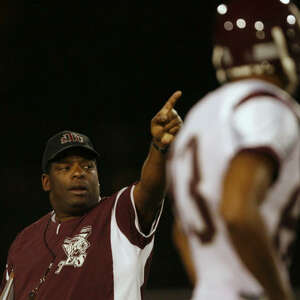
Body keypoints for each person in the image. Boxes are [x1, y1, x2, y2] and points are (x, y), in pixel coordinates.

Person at [167, 0, 300, 299]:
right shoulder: (267, 107)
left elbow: (181, 233)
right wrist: (279, 295)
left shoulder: (199, 116)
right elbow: (236, 210)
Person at [0, 90, 183, 300]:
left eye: (88, 167)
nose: (78, 173)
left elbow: (151, 189)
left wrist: (159, 147)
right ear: (46, 182)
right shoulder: (24, 242)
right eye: (66, 168)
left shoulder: (119, 213)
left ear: (98, 176)